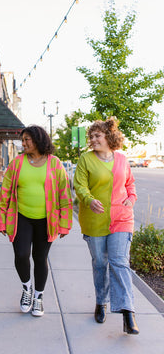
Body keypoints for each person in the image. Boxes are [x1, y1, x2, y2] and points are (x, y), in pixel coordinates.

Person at [0, 125, 73, 317]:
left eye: (26, 140)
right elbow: (5, 192)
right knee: (21, 255)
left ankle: (38, 297)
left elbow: (64, 195)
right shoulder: (17, 163)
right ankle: (27, 288)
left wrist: (64, 223)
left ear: (38, 139)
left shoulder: (54, 164)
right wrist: (2, 219)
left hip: (47, 220)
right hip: (21, 217)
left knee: (40, 258)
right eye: (22, 140)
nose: (23, 144)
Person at [73, 118, 139, 334]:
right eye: (91, 136)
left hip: (121, 217)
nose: (92, 140)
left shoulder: (121, 159)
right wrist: (89, 200)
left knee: (119, 262)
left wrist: (131, 197)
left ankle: (128, 312)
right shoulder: (86, 159)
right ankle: (101, 301)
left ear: (108, 137)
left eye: (97, 136)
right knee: (100, 263)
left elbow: (130, 184)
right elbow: (80, 185)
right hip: (95, 219)